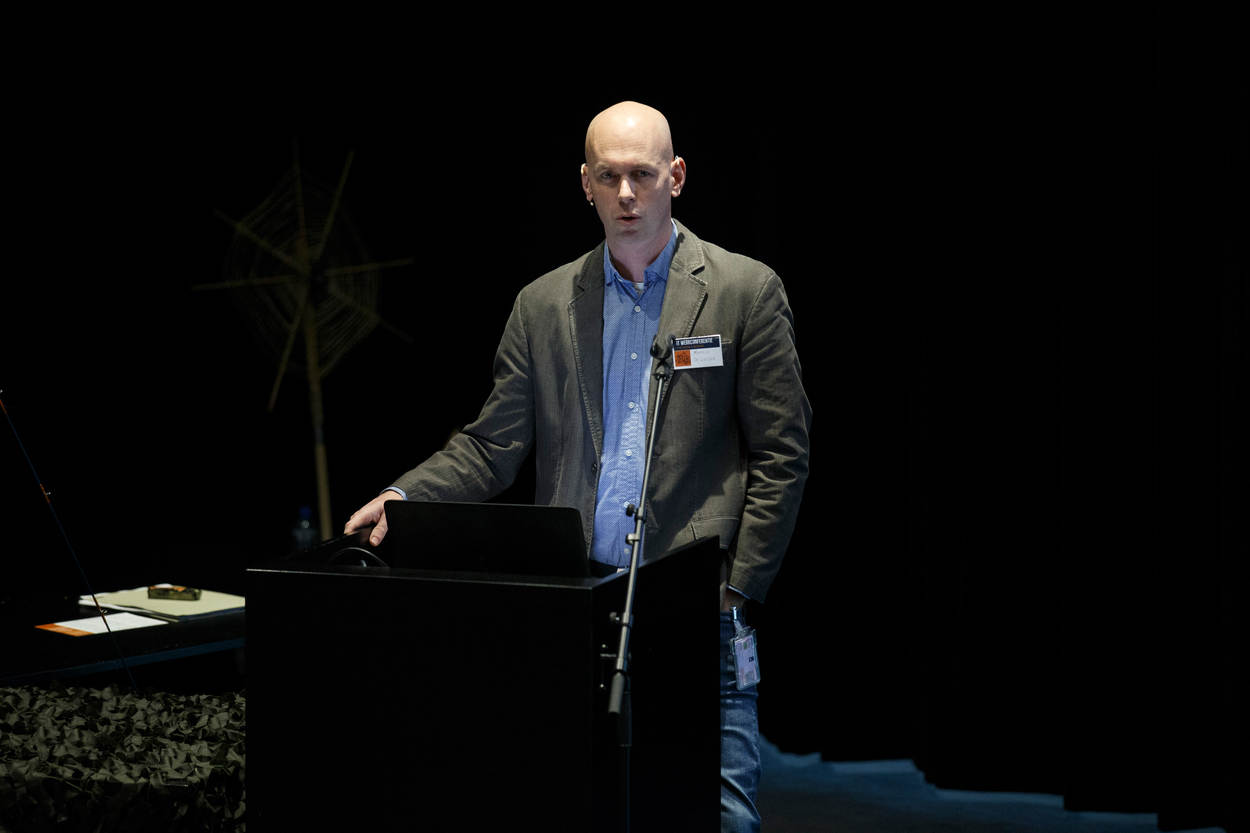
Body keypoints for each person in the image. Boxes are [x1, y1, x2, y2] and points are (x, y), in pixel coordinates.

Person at [344, 101, 811, 832]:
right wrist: (404, 494)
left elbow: (783, 454)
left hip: (697, 604)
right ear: (584, 183)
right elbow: (492, 445)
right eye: (608, 176)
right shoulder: (543, 305)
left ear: (676, 177)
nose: (626, 195)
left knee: (719, 816)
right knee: (581, 806)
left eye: (642, 176)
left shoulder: (744, 291)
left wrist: (737, 589)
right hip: (582, 602)